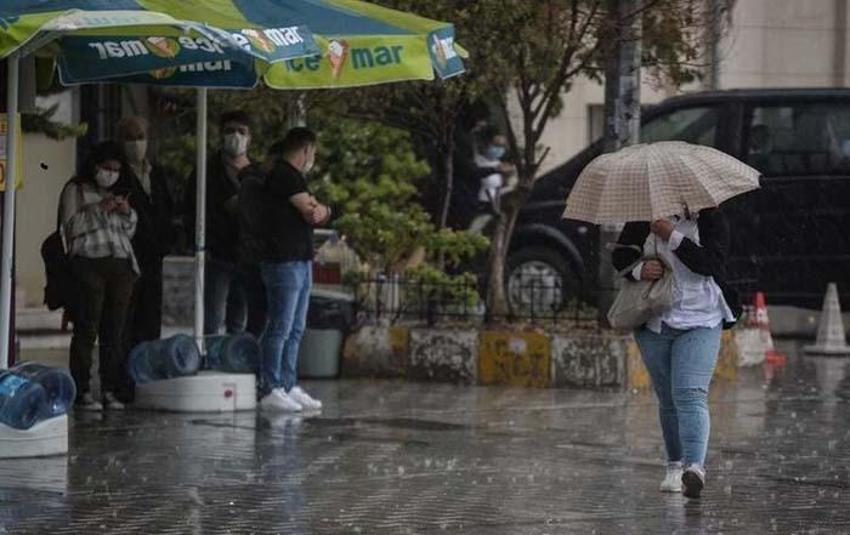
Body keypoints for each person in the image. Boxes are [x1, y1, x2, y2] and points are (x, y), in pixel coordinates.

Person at [612, 207, 742, 499]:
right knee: (668, 399)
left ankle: (695, 468)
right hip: (655, 320)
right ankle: (674, 466)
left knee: (690, 394)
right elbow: (619, 255)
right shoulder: (644, 215)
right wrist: (638, 270)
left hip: (702, 319)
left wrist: (671, 235)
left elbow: (709, 263)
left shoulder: (712, 218)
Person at [249, 127, 331, 412]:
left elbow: (315, 210)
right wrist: (322, 210)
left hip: (300, 259)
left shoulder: (295, 178)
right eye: (313, 152)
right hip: (283, 261)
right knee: (280, 326)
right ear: (307, 150)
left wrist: (323, 210)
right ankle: (270, 386)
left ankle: (287, 383)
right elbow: (311, 211)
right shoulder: (284, 175)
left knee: (296, 327)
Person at [60, 142, 139, 411]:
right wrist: (98, 210)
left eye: (116, 170)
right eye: (107, 168)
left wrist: (126, 212)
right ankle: (82, 389)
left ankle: (109, 388)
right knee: (87, 327)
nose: (111, 174)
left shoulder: (117, 191)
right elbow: (70, 226)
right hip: (89, 262)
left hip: (121, 263)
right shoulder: (75, 190)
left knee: (114, 331)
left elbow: (128, 231)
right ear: (94, 166)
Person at [114, 116, 174, 400]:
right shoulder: (118, 174)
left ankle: (146, 376)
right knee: (126, 320)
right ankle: (123, 383)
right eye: (130, 137)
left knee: (150, 318)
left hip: (153, 256)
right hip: (127, 256)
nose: (136, 143)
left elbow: (166, 209)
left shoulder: (156, 173)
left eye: (140, 137)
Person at [184, 110, 252, 335]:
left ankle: (235, 354)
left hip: (248, 256)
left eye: (241, 131)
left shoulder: (256, 173)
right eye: (230, 131)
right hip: (216, 255)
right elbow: (190, 209)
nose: (236, 136)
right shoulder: (206, 171)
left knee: (239, 320)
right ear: (221, 135)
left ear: (249, 137)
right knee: (212, 319)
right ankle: (211, 355)